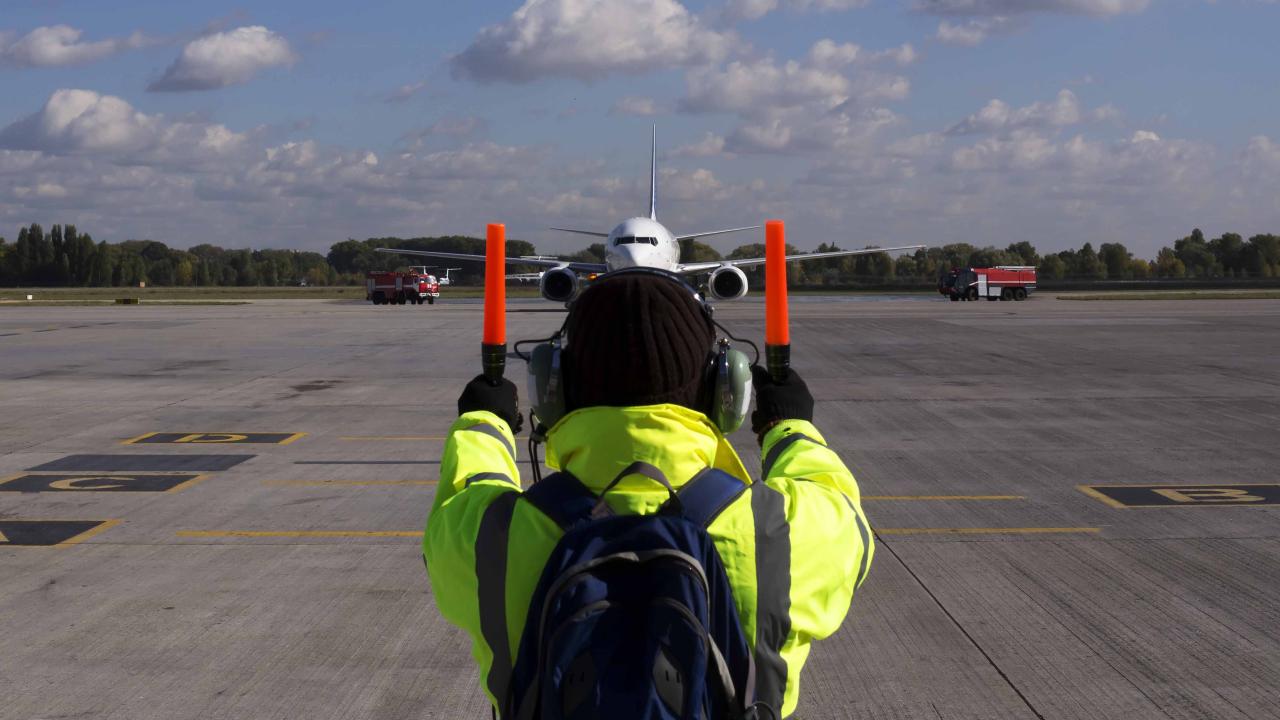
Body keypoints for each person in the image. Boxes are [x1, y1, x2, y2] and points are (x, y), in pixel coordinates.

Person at [423, 271, 873, 719]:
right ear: (726, 392)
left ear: (551, 393)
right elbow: (841, 512)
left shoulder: (493, 538)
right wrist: (788, 427)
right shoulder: (775, 534)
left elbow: (467, 494)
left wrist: (483, 422)